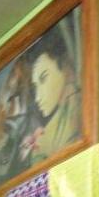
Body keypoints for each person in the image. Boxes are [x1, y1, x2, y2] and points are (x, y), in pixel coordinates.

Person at [25, 26, 81, 166]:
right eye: (35, 86)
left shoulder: (79, 110)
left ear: (66, 68)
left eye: (44, 78)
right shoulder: (44, 138)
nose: (38, 98)